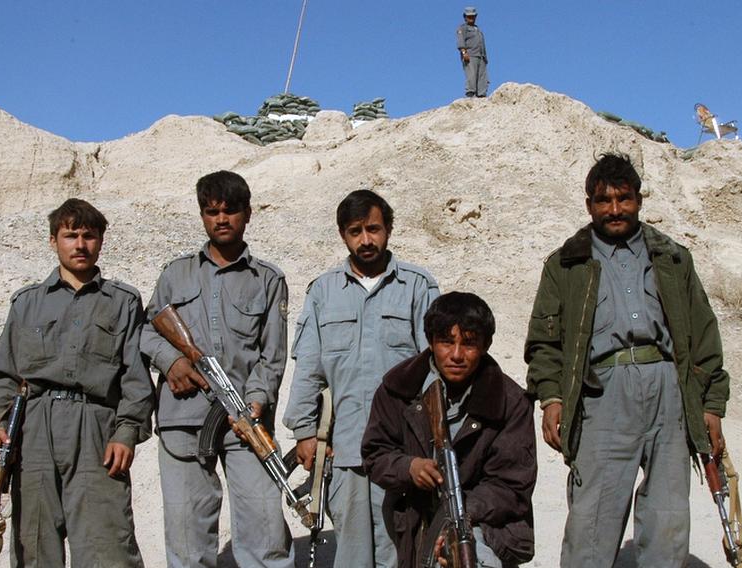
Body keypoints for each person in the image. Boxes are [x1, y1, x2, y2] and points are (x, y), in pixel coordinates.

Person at [524, 153, 731, 567]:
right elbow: (544, 344)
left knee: (668, 514)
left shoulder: (672, 257)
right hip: (602, 395)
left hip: (668, 390)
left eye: (624, 198)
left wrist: (711, 405)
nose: (615, 209)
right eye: (604, 200)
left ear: (639, 199)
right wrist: (551, 399)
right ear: (589, 205)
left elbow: (703, 332)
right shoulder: (566, 263)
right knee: (593, 516)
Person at [0, 198, 153, 567]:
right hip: (33, 433)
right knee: (35, 544)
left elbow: (135, 379)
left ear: (101, 241)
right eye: (70, 235)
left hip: (96, 431)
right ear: (52, 240)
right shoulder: (26, 304)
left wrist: (126, 433)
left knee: (107, 546)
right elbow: (4, 375)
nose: (80, 244)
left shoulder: (122, 302)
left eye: (88, 236)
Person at [140, 170, 293, 568]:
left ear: (248, 213)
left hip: (245, 420)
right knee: (188, 538)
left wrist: (257, 401)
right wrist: (171, 360)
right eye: (211, 212)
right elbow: (146, 329)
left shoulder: (268, 279)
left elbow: (272, 354)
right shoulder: (176, 274)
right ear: (202, 215)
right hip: (183, 417)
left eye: (230, 211)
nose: (221, 219)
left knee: (265, 532)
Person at [283, 189, 440, 568]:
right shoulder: (323, 291)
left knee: (400, 549)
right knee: (352, 554)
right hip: (346, 448)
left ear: (389, 230)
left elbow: (436, 368)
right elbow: (309, 366)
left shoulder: (418, 286)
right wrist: (304, 431)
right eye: (356, 231)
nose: (366, 240)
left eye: (374, 229)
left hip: (404, 449)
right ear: (343, 235)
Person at [361, 292, 536, 568]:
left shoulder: (510, 402)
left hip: (482, 524)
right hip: (411, 517)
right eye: (446, 342)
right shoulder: (398, 388)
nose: (456, 355)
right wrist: (409, 468)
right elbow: (375, 454)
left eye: (468, 344)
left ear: (486, 345)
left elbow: (511, 485)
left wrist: (462, 515)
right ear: (430, 342)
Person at [456, 7, 489, 97]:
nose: (471, 18)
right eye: (469, 16)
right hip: (470, 55)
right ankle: (471, 93)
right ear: (465, 17)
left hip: (480, 56)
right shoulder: (463, 28)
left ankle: (481, 95)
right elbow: (460, 41)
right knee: (471, 75)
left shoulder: (477, 29)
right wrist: (464, 53)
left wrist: (485, 58)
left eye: (473, 16)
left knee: (482, 76)